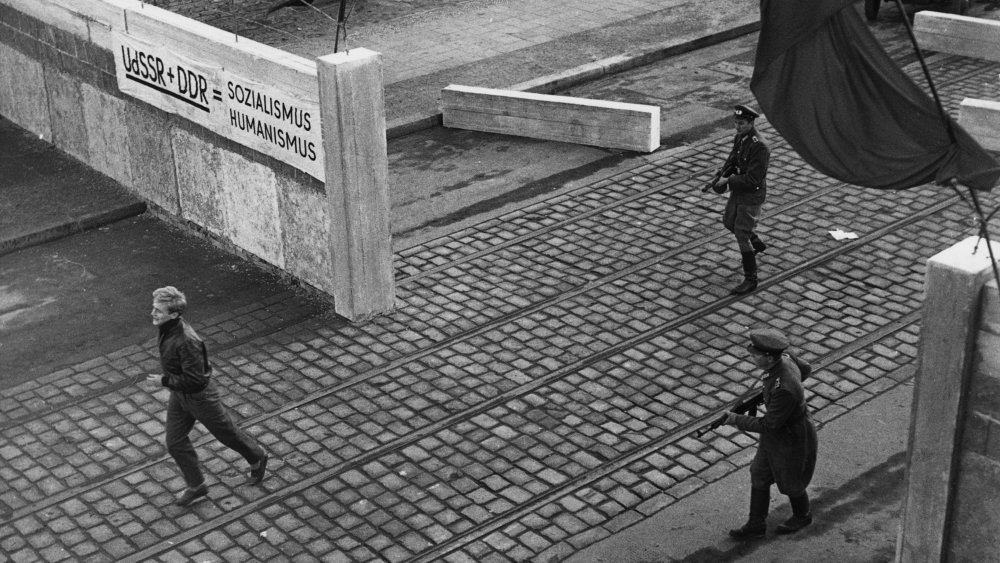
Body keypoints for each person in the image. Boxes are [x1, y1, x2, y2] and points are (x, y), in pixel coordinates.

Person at [146, 286, 269, 506]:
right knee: (174, 442)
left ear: (174, 314)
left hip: (200, 397)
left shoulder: (187, 340)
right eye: (154, 308)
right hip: (180, 395)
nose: (153, 314)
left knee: (226, 434)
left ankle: (256, 456)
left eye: (158, 311)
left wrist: (163, 381)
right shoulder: (168, 328)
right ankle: (197, 485)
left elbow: (197, 379)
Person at [724, 328, 817, 540]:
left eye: (755, 355)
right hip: (777, 432)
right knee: (759, 472)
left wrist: (736, 419)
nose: (752, 358)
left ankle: (803, 515)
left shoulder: (784, 387)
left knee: (790, 478)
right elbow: (806, 368)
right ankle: (756, 523)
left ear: (768, 357)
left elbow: (769, 425)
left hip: (790, 436)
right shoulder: (784, 358)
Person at [708, 105, 770, 295]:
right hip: (739, 192)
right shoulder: (741, 138)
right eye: (735, 123)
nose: (737, 127)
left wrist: (729, 180)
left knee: (741, 233)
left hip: (751, 195)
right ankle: (756, 242)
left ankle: (751, 278)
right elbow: (733, 159)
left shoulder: (759, 145)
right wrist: (722, 173)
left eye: (741, 123)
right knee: (729, 222)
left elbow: (753, 179)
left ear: (751, 123)